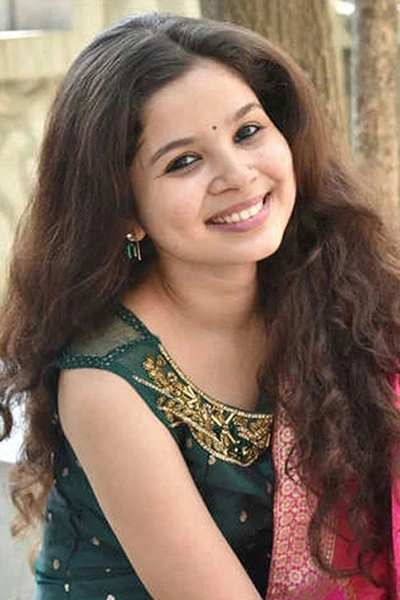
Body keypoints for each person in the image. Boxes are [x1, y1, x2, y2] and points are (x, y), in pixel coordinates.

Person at [1, 11, 400, 600]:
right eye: (183, 161)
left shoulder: (343, 291)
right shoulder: (108, 382)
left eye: (248, 131)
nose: (237, 175)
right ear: (123, 210)